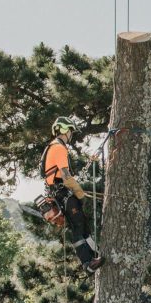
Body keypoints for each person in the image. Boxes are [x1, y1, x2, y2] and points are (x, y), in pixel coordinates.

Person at [42, 116, 104, 273]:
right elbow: (65, 176)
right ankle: (87, 262)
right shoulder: (58, 148)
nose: (71, 135)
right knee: (77, 225)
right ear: (64, 130)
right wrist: (80, 193)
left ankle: (94, 254)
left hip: (59, 192)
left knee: (81, 223)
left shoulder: (54, 147)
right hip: (62, 192)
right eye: (70, 131)